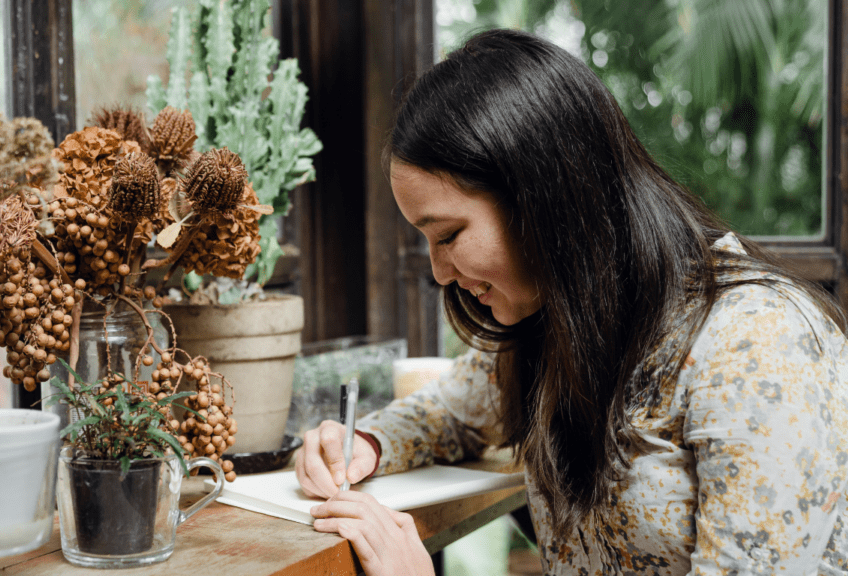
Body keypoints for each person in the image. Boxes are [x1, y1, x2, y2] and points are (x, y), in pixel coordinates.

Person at [295, 28, 848, 575]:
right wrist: (363, 442)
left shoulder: (758, 346)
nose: (440, 271)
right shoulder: (558, 322)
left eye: (448, 235)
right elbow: (450, 412)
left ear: (543, 201)